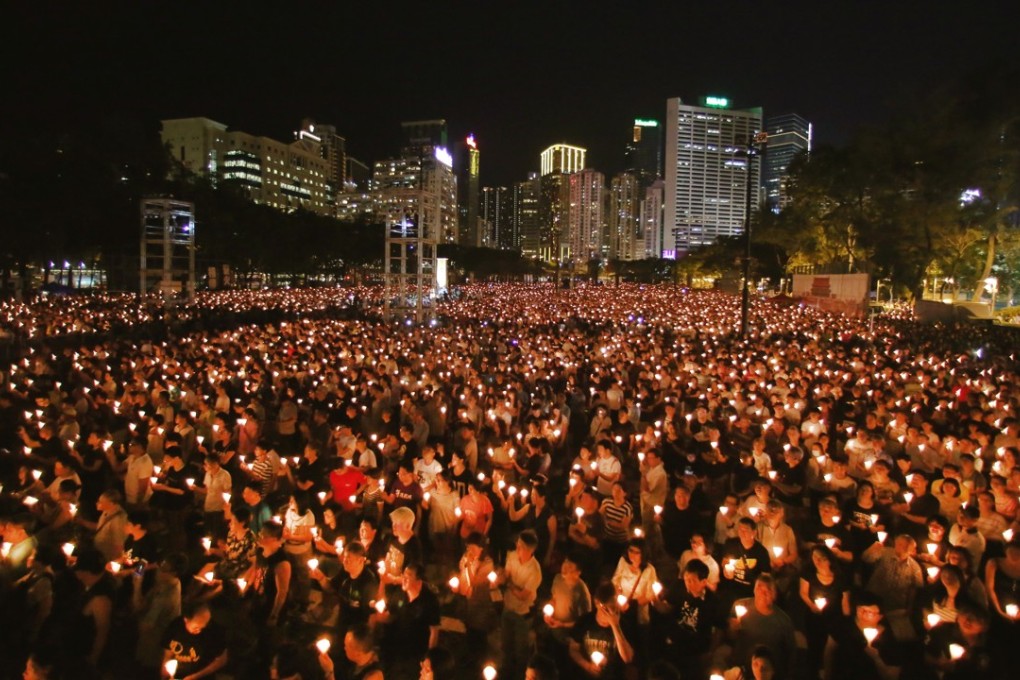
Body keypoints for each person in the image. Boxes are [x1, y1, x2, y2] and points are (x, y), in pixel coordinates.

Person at [726, 574, 796, 679]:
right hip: (742, 670)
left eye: (768, 590)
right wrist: (732, 628)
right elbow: (731, 638)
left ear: (774, 595)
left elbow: (791, 654)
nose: (763, 593)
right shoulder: (740, 605)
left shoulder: (783, 621)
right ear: (754, 590)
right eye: (759, 588)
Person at [824, 591, 901, 680]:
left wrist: (875, 657)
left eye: (869, 612)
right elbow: (829, 651)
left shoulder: (886, 636)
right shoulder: (843, 626)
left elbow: (893, 675)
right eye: (860, 610)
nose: (861, 615)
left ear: (880, 617)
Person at [499, 529, 542, 680]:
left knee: (521, 649)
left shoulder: (535, 571)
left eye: (521, 547)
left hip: (523, 614)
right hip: (508, 607)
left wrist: (509, 585)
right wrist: (501, 578)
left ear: (530, 550)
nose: (517, 548)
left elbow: (523, 596)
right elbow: (506, 575)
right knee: (506, 644)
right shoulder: (512, 556)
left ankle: (520, 675)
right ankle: (506, 671)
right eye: (517, 544)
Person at [568, 581, 635, 677]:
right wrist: (587, 666)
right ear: (597, 604)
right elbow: (573, 650)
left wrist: (615, 625)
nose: (613, 611)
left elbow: (628, 658)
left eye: (615, 606)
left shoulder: (624, 624)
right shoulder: (585, 621)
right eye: (608, 608)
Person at [160, 601, 229, 680]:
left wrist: (195, 677)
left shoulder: (214, 632)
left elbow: (222, 660)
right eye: (196, 627)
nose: (199, 630)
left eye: (203, 627)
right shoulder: (175, 627)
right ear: (186, 619)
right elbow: (167, 654)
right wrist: (165, 673)